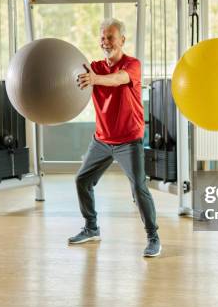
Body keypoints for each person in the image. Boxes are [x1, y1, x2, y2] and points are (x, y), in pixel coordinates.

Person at [69, 18, 161, 257]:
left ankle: (153, 237)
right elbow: (71, 80)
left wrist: (95, 79)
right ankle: (91, 228)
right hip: (101, 139)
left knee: (139, 188)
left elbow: (119, 79)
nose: (105, 42)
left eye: (110, 37)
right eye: (102, 37)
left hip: (129, 139)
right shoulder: (94, 67)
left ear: (122, 39)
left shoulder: (133, 64)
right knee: (82, 181)